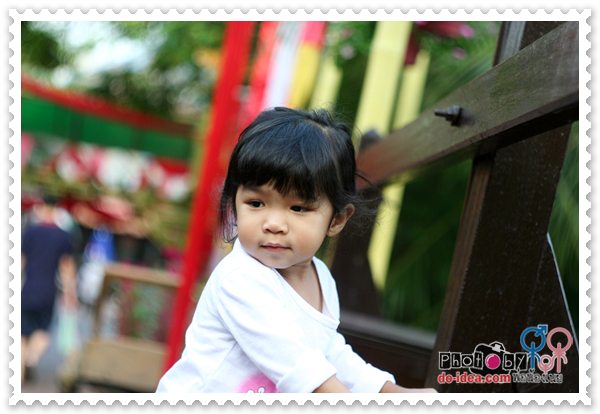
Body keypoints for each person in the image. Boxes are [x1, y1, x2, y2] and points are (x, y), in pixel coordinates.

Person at [156, 107, 436, 393]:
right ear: (234, 203)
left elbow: (331, 353)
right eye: (256, 203)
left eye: (298, 208)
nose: (274, 224)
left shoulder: (321, 278)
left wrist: (391, 392)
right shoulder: (240, 279)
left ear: (337, 220)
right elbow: (299, 367)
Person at [21, 194, 77, 384]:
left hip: (27, 288)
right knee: (43, 332)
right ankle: (30, 359)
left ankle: (19, 374)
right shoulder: (63, 236)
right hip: (48, 291)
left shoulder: (30, 231)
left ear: (41, 206)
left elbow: (20, 261)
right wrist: (70, 293)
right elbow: (66, 268)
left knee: (21, 334)